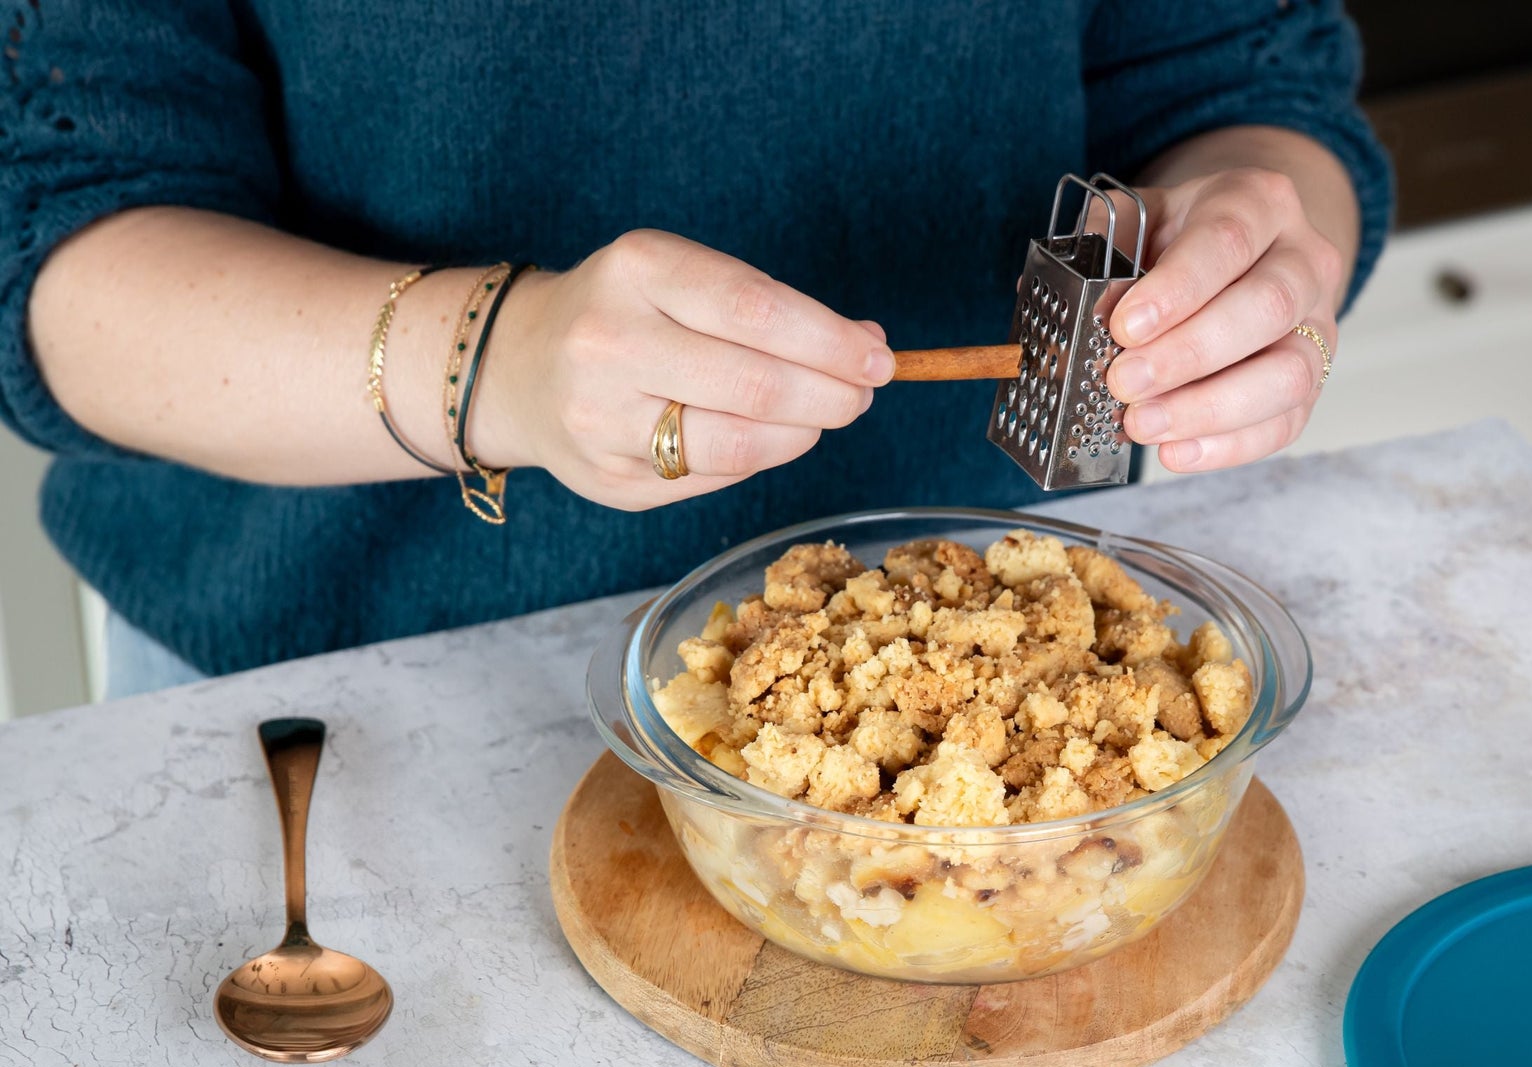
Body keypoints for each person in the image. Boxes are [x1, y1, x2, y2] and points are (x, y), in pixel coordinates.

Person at [1, 2, 1391, 698]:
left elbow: (1237, 79)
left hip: (993, 643)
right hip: (333, 694)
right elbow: (69, 249)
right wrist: (496, 360)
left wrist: (1262, 244)